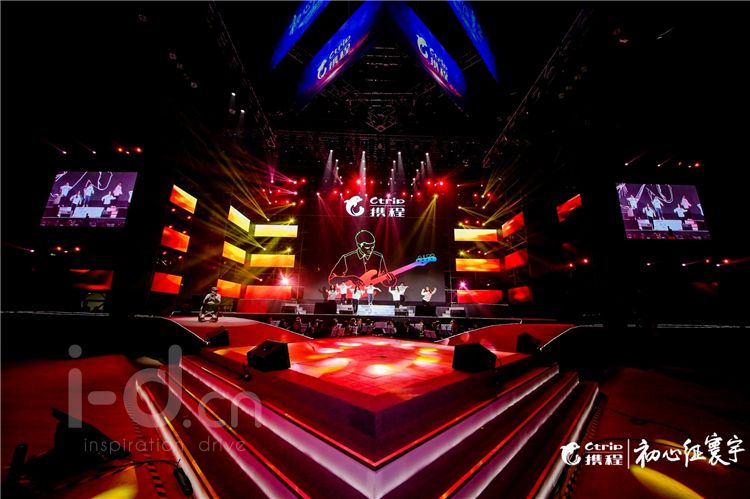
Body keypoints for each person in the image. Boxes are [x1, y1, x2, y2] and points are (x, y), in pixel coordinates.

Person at [329, 229, 396, 289]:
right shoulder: (346, 258)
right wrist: (350, 278)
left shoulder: (379, 256)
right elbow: (332, 280)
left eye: (372, 247)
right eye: (367, 248)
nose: (370, 250)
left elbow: (383, 278)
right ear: (358, 245)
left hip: (370, 292)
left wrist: (389, 282)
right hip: (353, 292)